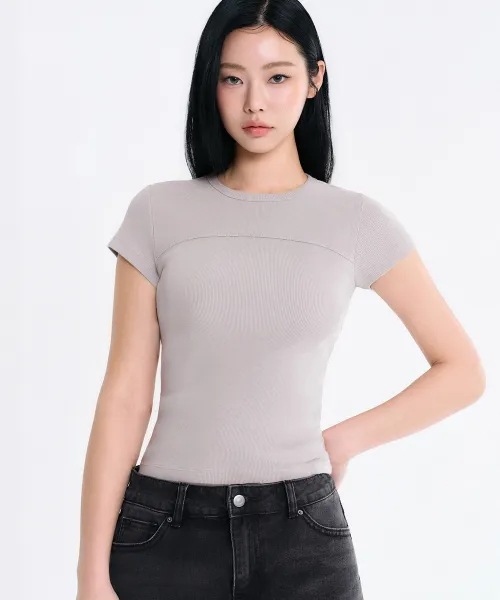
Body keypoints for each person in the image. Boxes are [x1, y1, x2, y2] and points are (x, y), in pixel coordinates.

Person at [76, 1, 486, 599]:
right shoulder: (158, 213)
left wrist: (344, 439)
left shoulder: (356, 223)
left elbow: (463, 371)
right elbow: (124, 396)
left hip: (302, 538)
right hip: (165, 532)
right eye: (232, 78)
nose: (254, 104)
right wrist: (90, 575)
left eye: (277, 77)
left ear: (315, 79)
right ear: (209, 82)